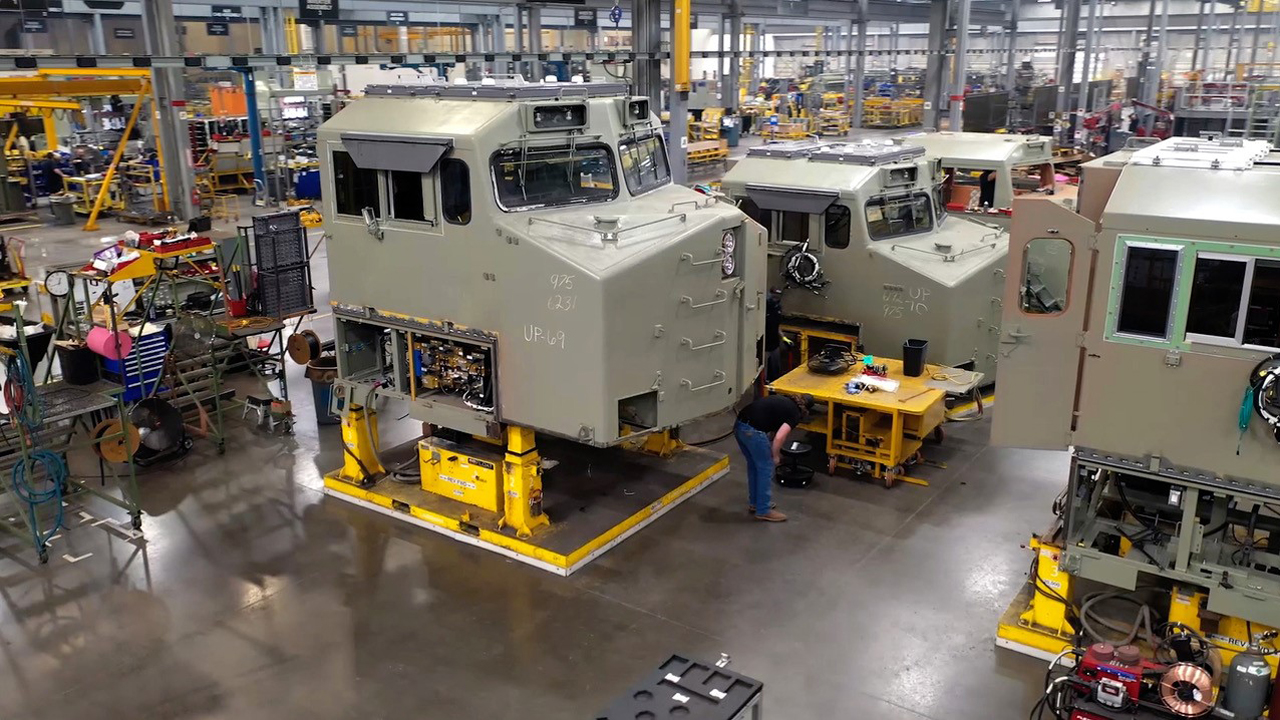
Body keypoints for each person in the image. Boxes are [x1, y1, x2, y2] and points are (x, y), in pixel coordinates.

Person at [735, 393, 814, 522]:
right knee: (766, 467)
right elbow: (779, 437)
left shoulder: (784, 399)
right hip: (753, 431)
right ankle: (764, 510)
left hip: (740, 426)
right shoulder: (795, 413)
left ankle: (756, 503)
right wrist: (776, 456)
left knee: (754, 466)